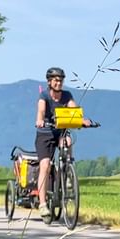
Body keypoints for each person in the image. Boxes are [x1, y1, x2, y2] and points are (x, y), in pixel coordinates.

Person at [34, 66, 90, 220]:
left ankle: (67, 171)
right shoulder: (44, 95)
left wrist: (82, 120)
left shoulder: (67, 95)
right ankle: (43, 204)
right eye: (56, 80)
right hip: (45, 134)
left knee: (68, 141)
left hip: (60, 132)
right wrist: (40, 120)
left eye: (61, 80)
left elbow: (74, 110)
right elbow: (41, 111)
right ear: (49, 82)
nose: (59, 83)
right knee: (45, 166)